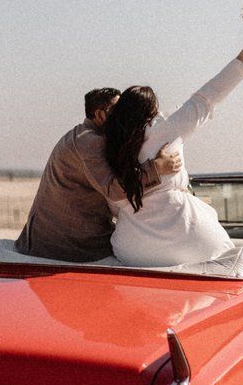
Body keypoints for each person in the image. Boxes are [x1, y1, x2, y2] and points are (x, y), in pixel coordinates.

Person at [104, 39, 243, 267]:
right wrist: (241, 60)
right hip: (188, 239)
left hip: (131, 249)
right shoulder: (164, 127)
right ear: (151, 111)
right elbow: (206, 98)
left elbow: (111, 200)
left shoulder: (111, 145)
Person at [16, 87, 182, 262]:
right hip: (66, 247)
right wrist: (156, 169)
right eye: (117, 111)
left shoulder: (81, 135)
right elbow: (115, 191)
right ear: (101, 116)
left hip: (49, 241)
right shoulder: (89, 141)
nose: (122, 116)